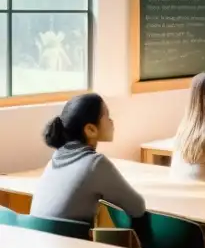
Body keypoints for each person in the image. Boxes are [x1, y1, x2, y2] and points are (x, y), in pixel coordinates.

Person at [30, 93, 146, 223]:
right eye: (107, 116)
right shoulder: (95, 164)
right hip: (68, 242)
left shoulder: (54, 160)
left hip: (38, 238)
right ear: (90, 129)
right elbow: (137, 207)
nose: (111, 121)